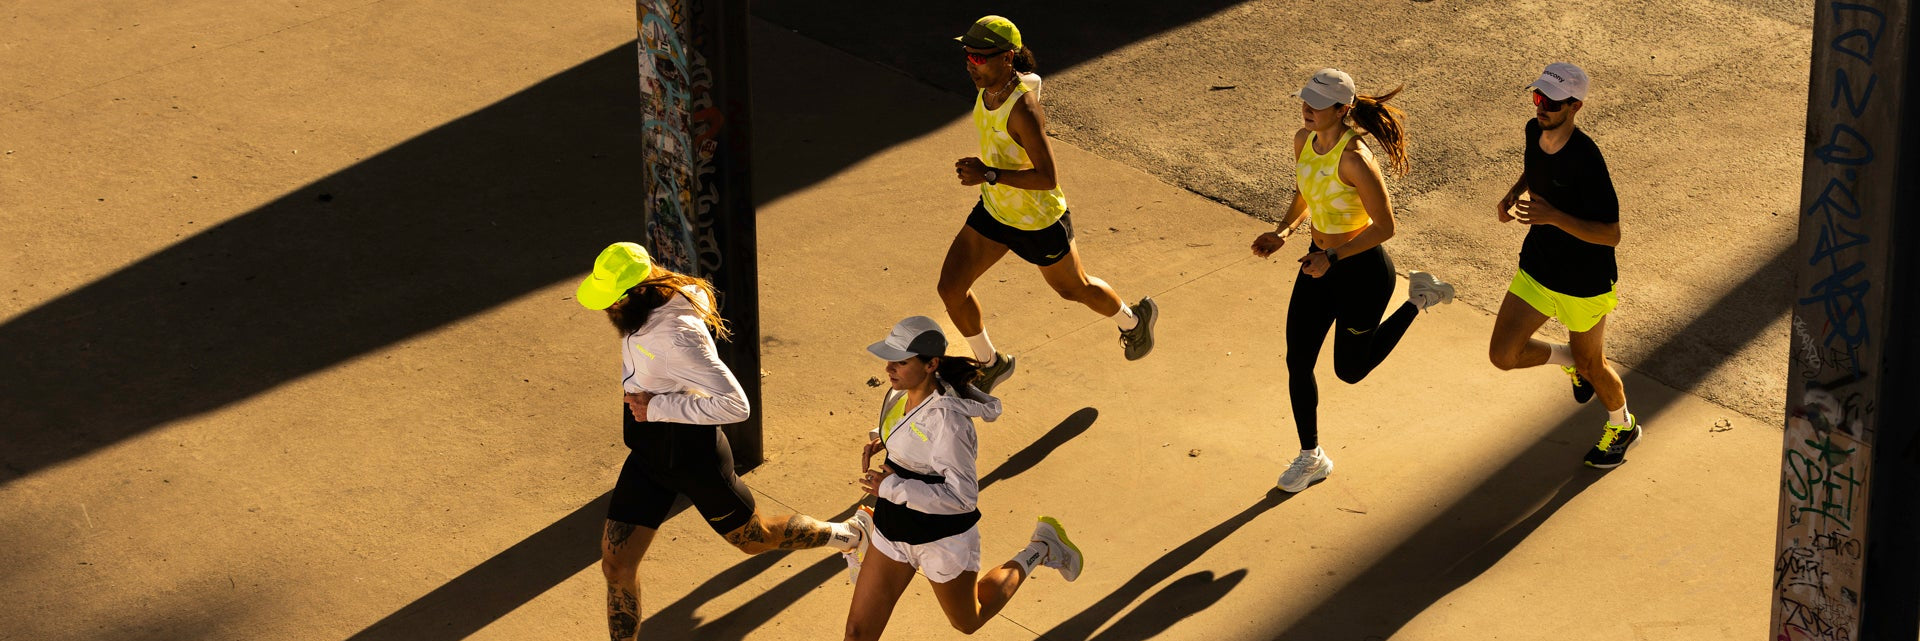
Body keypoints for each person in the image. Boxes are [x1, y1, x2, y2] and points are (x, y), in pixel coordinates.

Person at [576, 242, 867, 641]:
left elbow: (735, 405)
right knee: (615, 566)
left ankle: (850, 535)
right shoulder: (642, 313)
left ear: (638, 291)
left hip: (694, 458)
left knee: (756, 539)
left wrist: (656, 407)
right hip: (648, 456)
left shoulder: (678, 336)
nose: (607, 310)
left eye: (611, 301)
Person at [1250, 68, 1455, 493]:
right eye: (1304, 101)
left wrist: (1332, 256)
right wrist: (1284, 233)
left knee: (1350, 370)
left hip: (1362, 272)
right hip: (1318, 263)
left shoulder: (1355, 158)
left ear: (1342, 110)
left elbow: (1385, 227)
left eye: (1317, 105)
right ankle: (1311, 457)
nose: (1306, 109)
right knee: (1297, 361)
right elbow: (1306, 192)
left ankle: (1418, 299)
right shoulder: (1303, 140)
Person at [941, 15, 1159, 394]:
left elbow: (1047, 178)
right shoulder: (992, 86)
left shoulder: (1023, 110)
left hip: (1038, 220)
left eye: (979, 58)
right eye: (967, 55)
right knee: (950, 288)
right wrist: (989, 180)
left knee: (1074, 289)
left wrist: (988, 173)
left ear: (1007, 58)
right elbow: (1032, 78)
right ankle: (991, 364)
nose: (970, 64)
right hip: (995, 211)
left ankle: (1134, 321)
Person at [841, 316, 1082, 640]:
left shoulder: (950, 422)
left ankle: (1041, 547)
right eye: (889, 358)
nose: (889, 369)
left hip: (940, 536)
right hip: (893, 524)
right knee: (857, 633)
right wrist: (887, 439)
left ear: (931, 365)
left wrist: (891, 486)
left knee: (970, 619)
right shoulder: (901, 393)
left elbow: (962, 497)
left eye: (901, 361)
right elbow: (913, 429)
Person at [1488, 63, 1638, 468]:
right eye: (1538, 97)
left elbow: (1611, 235)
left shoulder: (1587, 160)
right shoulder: (1533, 131)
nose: (1541, 108)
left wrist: (1553, 216)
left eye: (1552, 102)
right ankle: (1566, 359)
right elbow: (1536, 168)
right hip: (1538, 265)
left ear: (1575, 106)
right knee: (1503, 355)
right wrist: (1512, 194)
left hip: (1584, 281)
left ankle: (1622, 426)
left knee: (1594, 365)